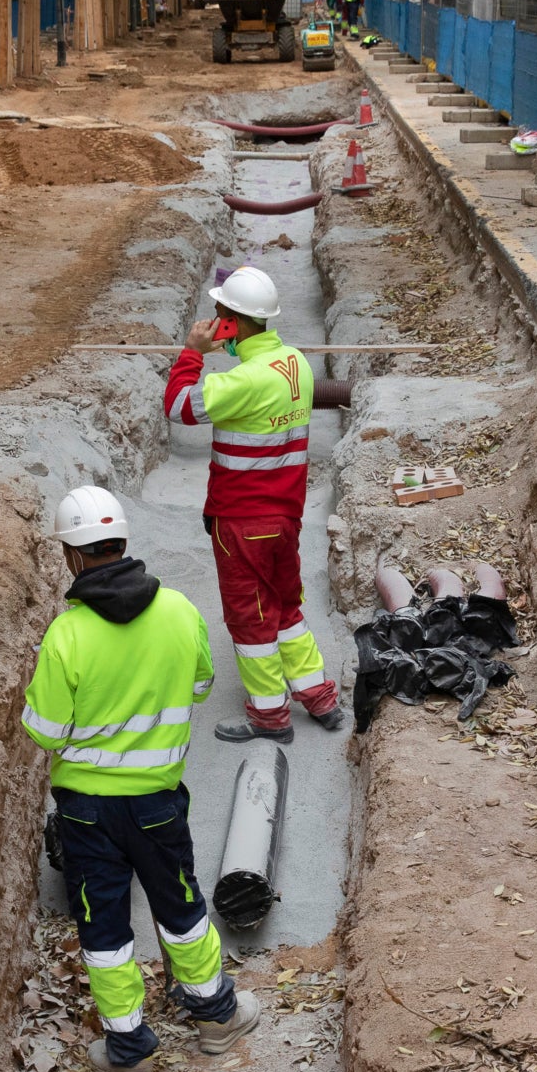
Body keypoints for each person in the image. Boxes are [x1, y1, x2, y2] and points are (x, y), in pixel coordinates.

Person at [21, 485, 260, 1072]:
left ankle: (130, 1056)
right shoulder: (179, 611)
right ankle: (216, 1019)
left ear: (72, 556)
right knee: (181, 909)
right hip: (157, 804)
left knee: (103, 928)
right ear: (124, 541)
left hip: (86, 814)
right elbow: (203, 685)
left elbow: (44, 732)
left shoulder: (66, 635)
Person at [162, 266, 345, 743]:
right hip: (285, 518)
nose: (214, 319)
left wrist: (193, 352)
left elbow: (180, 406)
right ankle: (319, 696)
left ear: (235, 321)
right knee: (287, 607)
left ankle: (269, 716)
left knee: (250, 619)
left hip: (242, 521)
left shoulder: (242, 382)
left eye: (220, 314)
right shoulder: (295, 364)